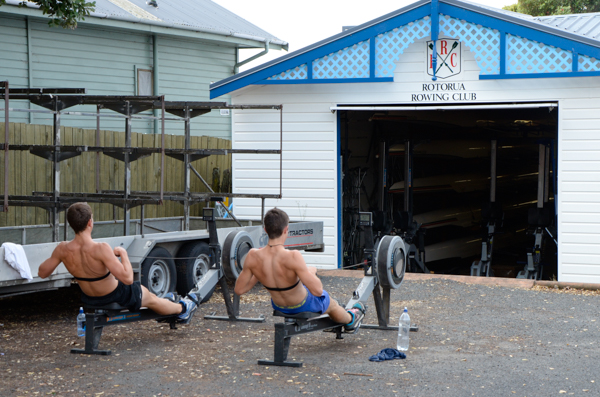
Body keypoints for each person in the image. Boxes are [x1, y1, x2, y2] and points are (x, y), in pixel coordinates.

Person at [38, 202, 198, 324]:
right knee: (146, 294)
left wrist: (59, 256)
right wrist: (123, 254)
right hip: (115, 295)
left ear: (71, 224)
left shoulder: (62, 249)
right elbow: (127, 278)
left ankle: (167, 304)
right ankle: (182, 309)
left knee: (149, 295)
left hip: (90, 298)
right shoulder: (100, 248)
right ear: (89, 223)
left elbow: (42, 273)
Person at [234, 208, 366, 331]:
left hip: (279, 306)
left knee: (303, 283)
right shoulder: (293, 256)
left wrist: (259, 271)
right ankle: (351, 320)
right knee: (330, 302)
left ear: (265, 230)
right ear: (286, 230)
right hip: (301, 305)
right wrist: (310, 272)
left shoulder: (252, 255)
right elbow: (318, 291)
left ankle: (339, 317)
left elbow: (239, 290)